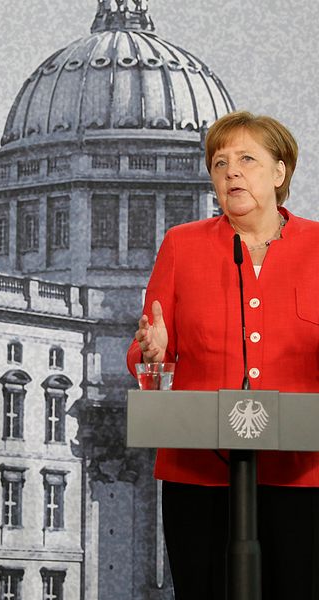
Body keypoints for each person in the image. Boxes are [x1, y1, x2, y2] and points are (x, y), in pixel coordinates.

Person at [127, 111, 319, 599]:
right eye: (219, 162)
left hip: (302, 475)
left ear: (280, 173)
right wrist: (154, 354)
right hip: (198, 473)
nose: (230, 171)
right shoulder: (181, 246)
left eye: (246, 159)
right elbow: (144, 351)